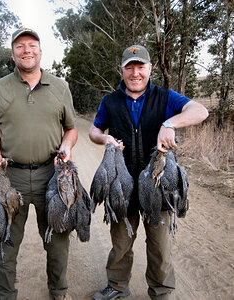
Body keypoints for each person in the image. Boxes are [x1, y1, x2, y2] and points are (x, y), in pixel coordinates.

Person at [89, 45, 208, 300]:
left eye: (140, 67)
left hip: (157, 183)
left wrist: (170, 123)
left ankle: (161, 292)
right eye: (129, 67)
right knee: (120, 242)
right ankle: (118, 286)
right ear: (122, 70)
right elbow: (94, 131)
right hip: (123, 182)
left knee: (160, 245)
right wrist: (105, 140)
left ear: (149, 69)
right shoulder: (109, 101)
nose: (135, 73)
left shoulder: (165, 97)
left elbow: (201, 111)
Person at [0, 27, 77, 300]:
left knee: (57, 240)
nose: (27, 50)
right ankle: (4, 295)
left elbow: (71, 129)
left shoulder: (61, 87)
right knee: (5, 241)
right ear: (13, 54)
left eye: (31, 45)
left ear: (40, 51)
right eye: (20, 46)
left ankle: (58, 291)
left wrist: (67, 146)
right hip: (11, 177)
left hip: (52, 174)